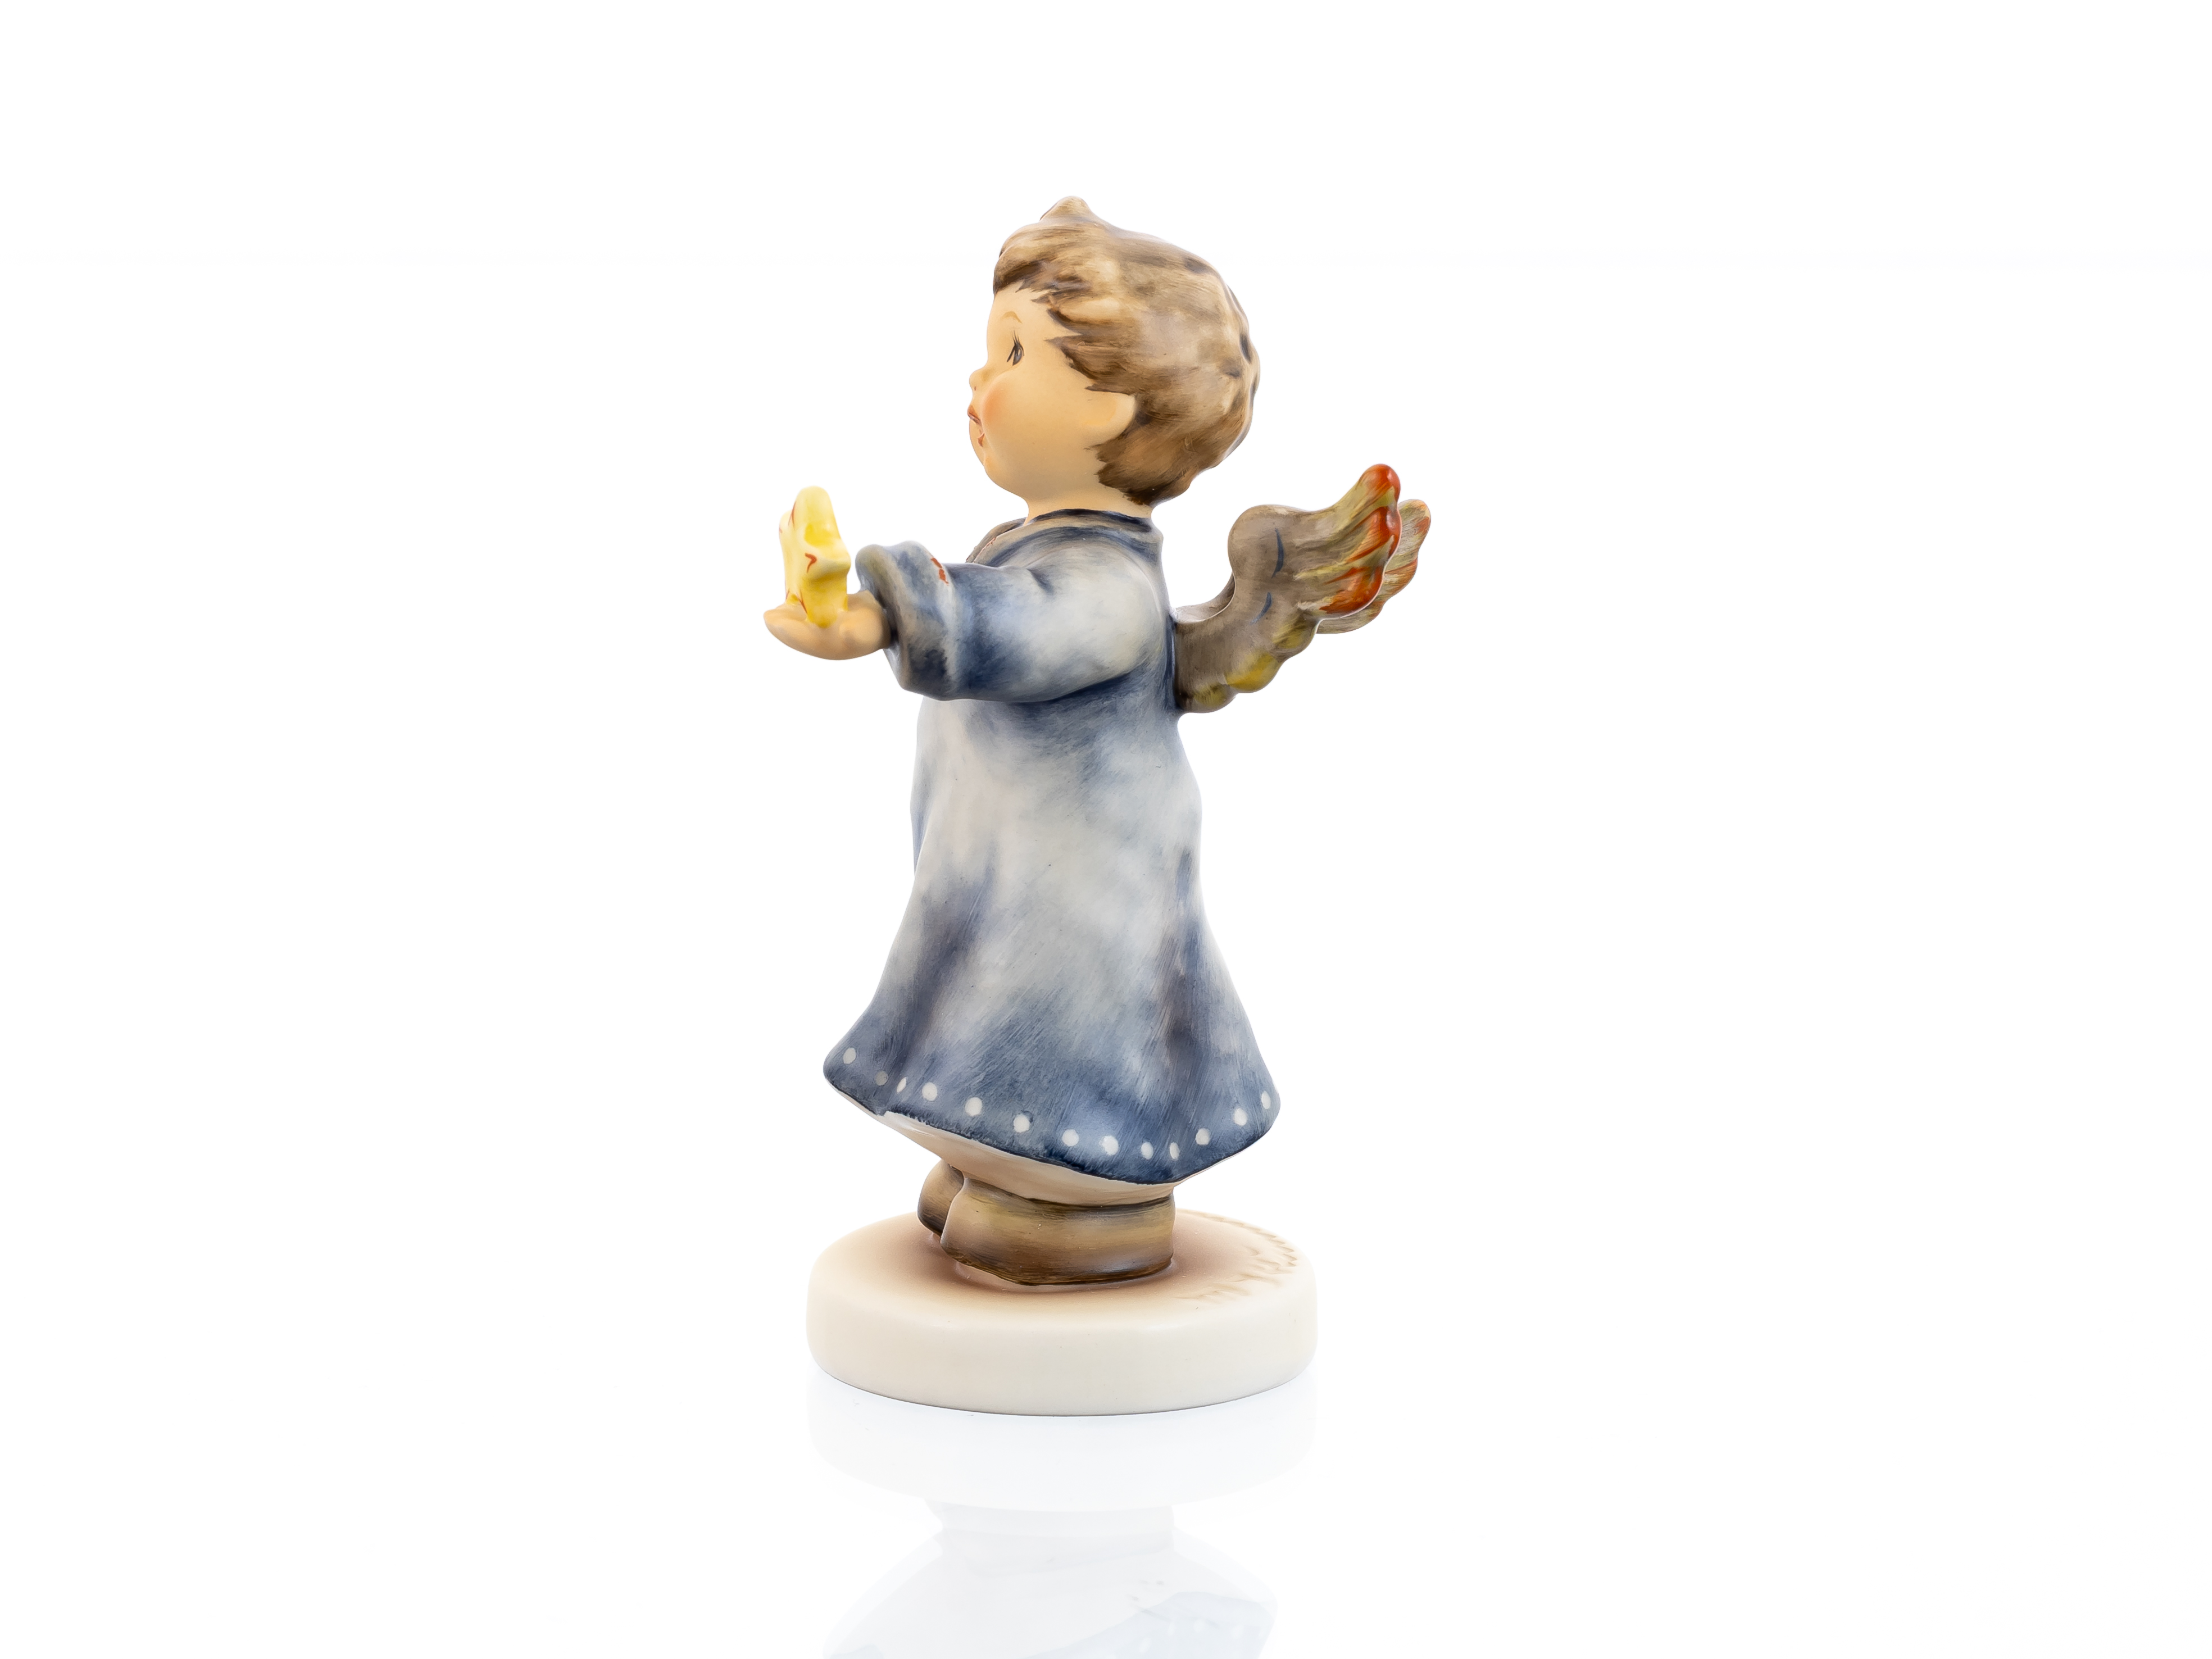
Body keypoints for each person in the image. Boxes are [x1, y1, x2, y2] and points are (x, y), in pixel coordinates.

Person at [764, 199, 1427, 1283]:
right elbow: (990, 601)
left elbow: (1013, 626)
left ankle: (1081, 1201)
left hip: (1073, 898)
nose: (980, 381)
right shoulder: (1032, 542)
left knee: (1046, 1021)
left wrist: (877, 615)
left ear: (1114, 406)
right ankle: (997, 1161)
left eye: (1016, 354)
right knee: (976, 994)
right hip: (998, 868)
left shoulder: (1106, 589)